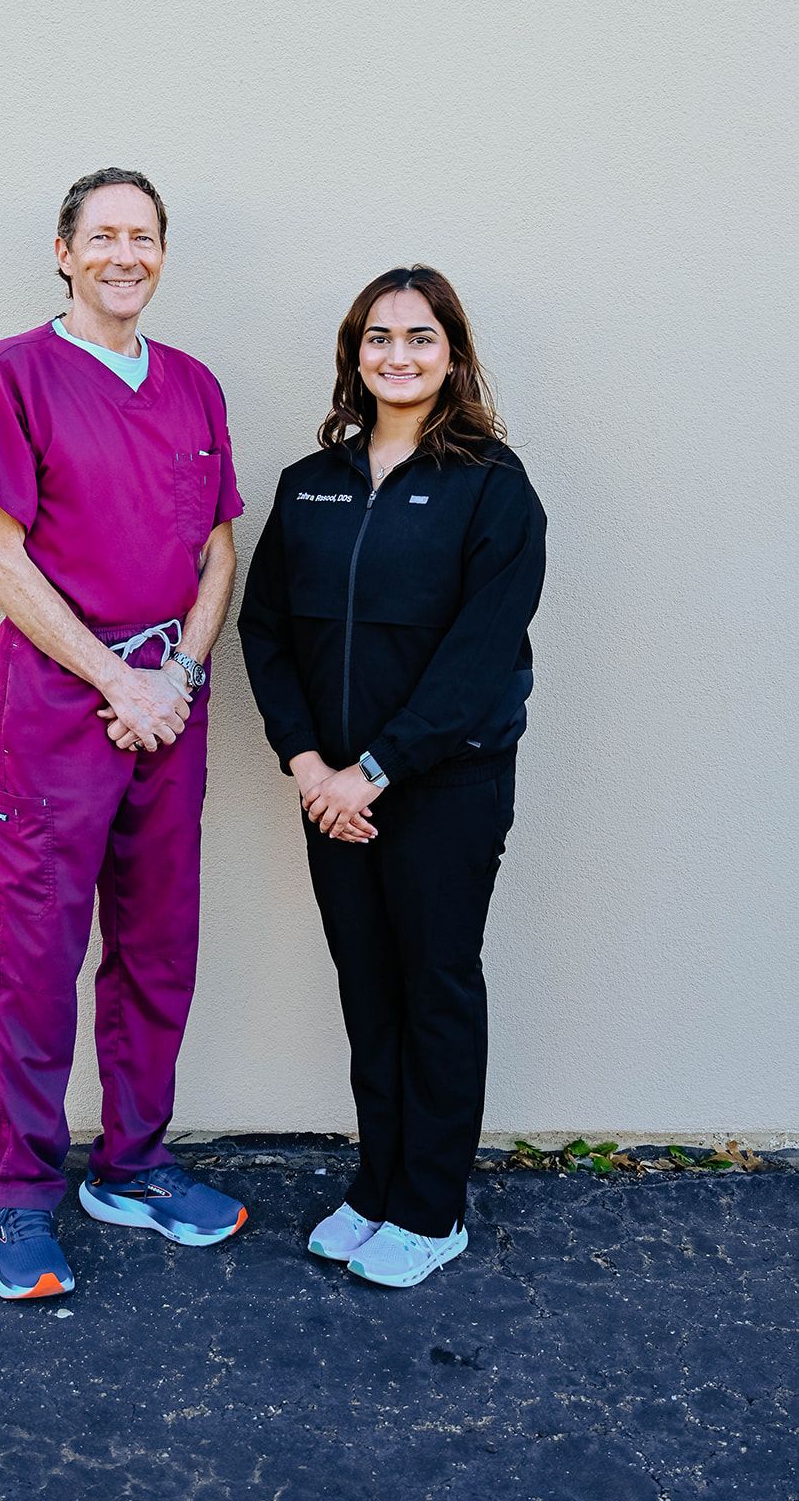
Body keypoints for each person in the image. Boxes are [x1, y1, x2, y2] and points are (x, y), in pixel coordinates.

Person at [0, 168, 247, 1301]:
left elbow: (217, 551)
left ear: (162, 254)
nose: (126, 252)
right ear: (63, 251)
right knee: (36, 951)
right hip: (62, 707)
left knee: (158, 942)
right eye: (102, 234)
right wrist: (119, 677)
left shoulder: (194, 385)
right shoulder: (11, 375)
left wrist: (175, 673)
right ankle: (23, 1197)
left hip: (170, 699)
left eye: (145, 235)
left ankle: (133, 1163)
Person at [238, 266, 546, 1288]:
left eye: (418, 338)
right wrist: (308, 762)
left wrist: (374, 769)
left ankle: (430, 1207)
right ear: (353, 355)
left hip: (441, 784)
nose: (397, 355)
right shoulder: (307, 482)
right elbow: (267, 627)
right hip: (330, 787)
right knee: (367, 986)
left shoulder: (492, 487)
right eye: (378, 338)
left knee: (434, 987)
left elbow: (477, 653)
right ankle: (375, 1186)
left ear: (449, 355)